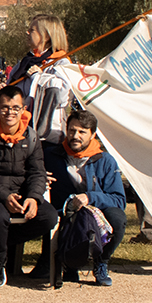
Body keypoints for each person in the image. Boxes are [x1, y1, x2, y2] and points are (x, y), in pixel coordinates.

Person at [0, 85, 59, 287]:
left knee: (48, 217)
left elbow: (38, 172)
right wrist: (4, 196)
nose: (10, 113)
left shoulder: (32, 137)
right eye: (5, 108)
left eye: (15, 108)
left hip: (23, 193)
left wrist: (34, 197)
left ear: (23, 109)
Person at [43, 110, 126, 286]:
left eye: (82, 132)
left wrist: (90, 197)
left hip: (96, 212)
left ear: (92, 134)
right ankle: (67, 263)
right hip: (63, 210)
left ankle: (101, 262)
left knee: (118, 218)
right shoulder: (51, 155)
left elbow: (119, 199)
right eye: (72, 130)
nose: (75, 136)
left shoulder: (106, 160)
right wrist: (40, 178)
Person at [8, 14, 73, 146]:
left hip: (49, 136)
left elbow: (62, 97)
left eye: (32, 30)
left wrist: (39, 77)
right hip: (21, 133)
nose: (27, 33)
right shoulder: (24, 63)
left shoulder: (61, 63)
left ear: (46, 35)